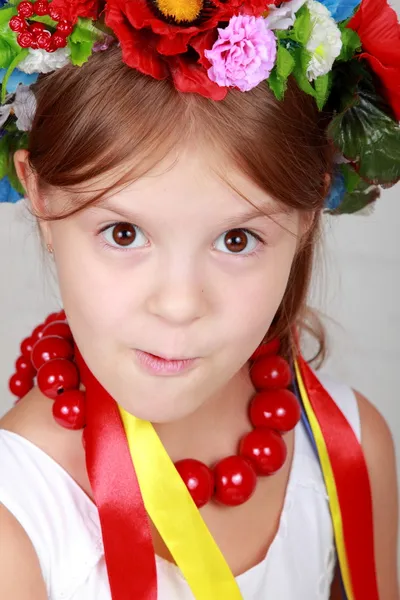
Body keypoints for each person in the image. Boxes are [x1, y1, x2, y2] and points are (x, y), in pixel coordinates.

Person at [0, 0, 399, 599]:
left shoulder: (350, 448)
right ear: (40, 193)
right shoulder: (17, 528)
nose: (180, 304)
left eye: (237, 240)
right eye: (124, 233)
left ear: (309, 212)